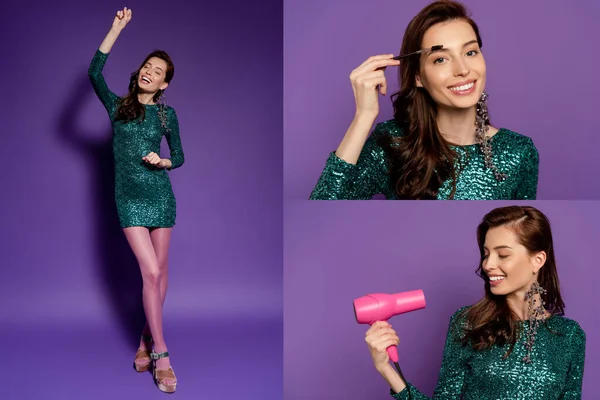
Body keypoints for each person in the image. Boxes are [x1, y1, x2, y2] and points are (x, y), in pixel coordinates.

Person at [310, 1, 538, 200]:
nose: (463, 70)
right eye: (440, 59)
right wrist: (363, 117)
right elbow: (320, 209)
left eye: (470, 52)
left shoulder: (520, 151)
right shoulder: (392, 143)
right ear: (418, 77)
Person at [365, 206, 586, 399]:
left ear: (537, 260)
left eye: (502, 255)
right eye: (486, 253)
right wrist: (385, 368)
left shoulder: (570, 336)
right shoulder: (469, 323)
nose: (488, 264)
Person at [88, 7, 184, 393]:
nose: (150, 72)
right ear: (140, 71)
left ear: (163, 85)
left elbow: (179, 156)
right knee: (150, 273)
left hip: (160, 196)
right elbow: (94, 72)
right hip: (128, 199)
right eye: (147, 66)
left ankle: (146, 336)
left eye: (158, 71)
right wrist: (116, 28)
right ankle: (161, 351)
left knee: (160, 273)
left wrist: (163, 160)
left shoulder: (166, 115)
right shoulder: (118, 108)